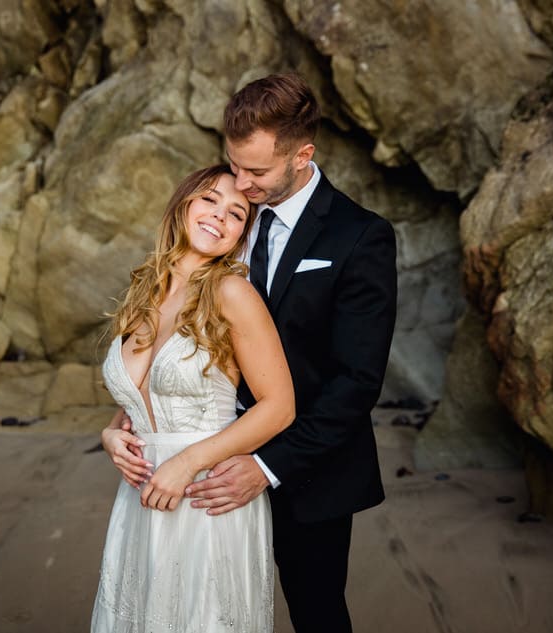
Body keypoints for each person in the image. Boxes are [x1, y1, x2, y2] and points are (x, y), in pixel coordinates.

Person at [184, 73, 399, 633]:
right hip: (210, 461)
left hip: (309, 474)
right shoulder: (225, 215)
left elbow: (356, 382)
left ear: (303, 156)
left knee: (316, 613)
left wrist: (266, 466)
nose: (240, 183)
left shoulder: (359, 236)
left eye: (256, 172)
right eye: (233, 164)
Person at [91, 164, 295, 632]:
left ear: (243, 233)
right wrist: (111, 433)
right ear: (183, 204)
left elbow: (280, 406)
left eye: (237, 213)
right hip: (139, 500)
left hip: (205, 499)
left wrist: (186, 463)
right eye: (209, 200)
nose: (220, 216)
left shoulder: (232, 293)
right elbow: (147, 398)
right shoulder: (145, 291)